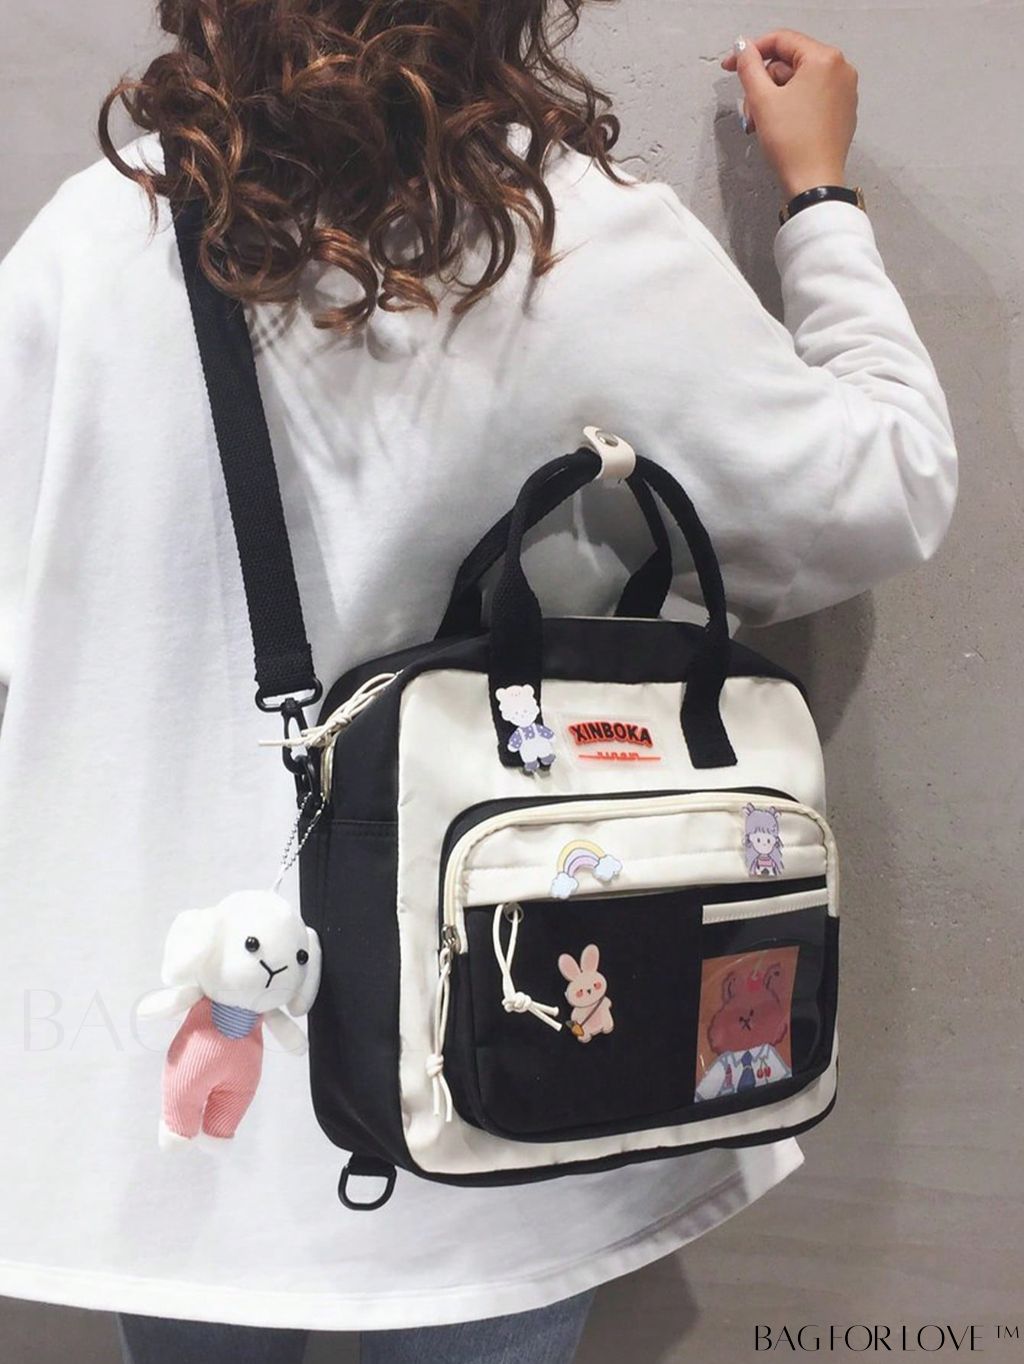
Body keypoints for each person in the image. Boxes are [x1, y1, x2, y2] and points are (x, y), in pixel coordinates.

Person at [0, 3, 957, 1360]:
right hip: (504, 1078)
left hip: (178, 1098)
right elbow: (880, 490)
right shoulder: (571, 237)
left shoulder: (92, 240)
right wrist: (819, 201)